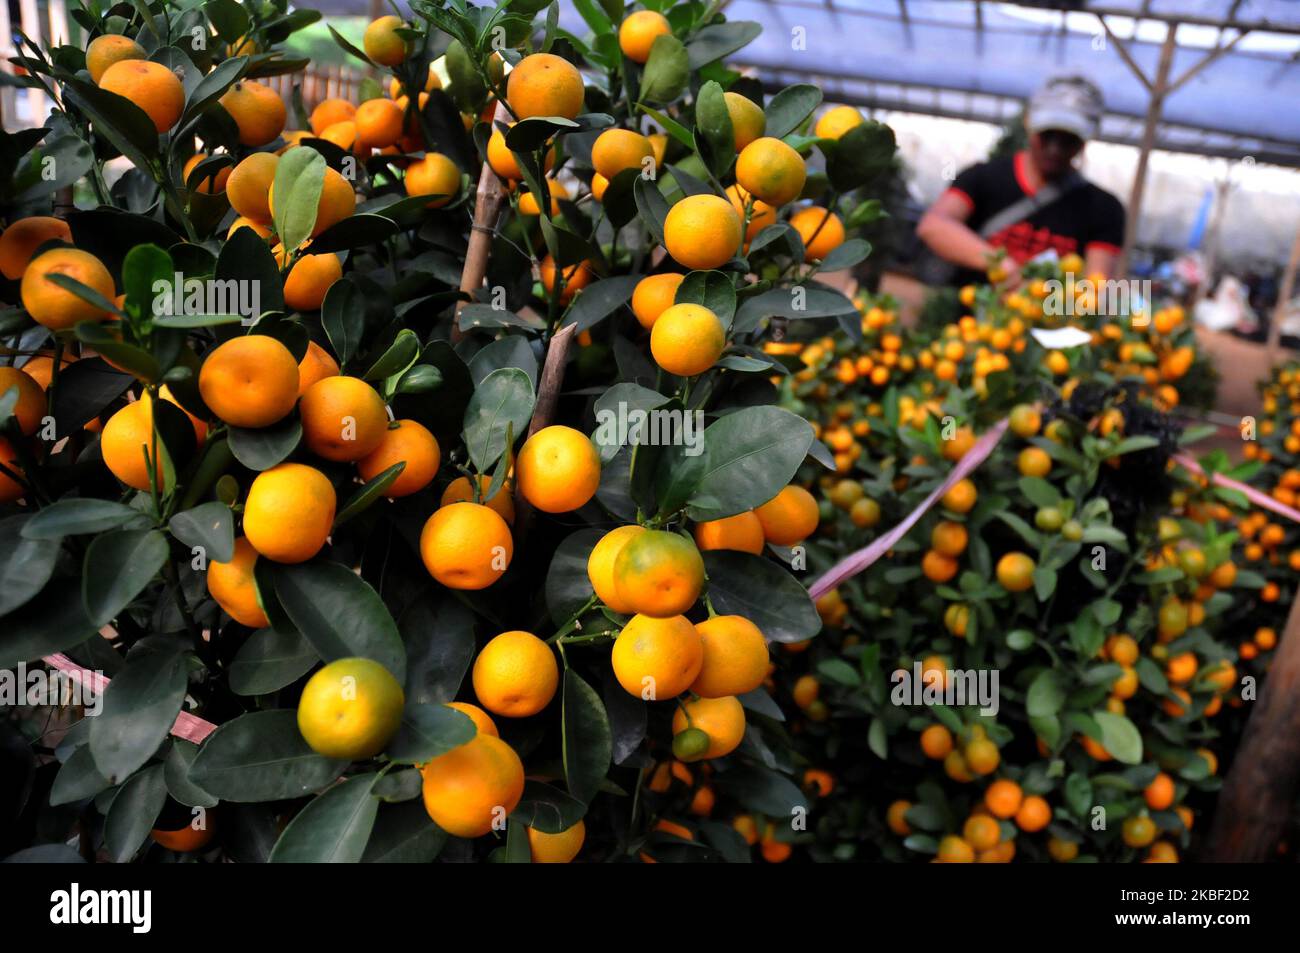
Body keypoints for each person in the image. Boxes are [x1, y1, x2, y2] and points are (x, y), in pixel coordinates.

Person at [916, 76, 1126, 287]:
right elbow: (933, 226)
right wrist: (1000, 265)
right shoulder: (984, 178)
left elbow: (1096, 286)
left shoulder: (1102, 208)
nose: (1055, 148)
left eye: (1068, 140)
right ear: (1029, 123)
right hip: (969, 317)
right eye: (1048, 135)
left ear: (1085, 140)